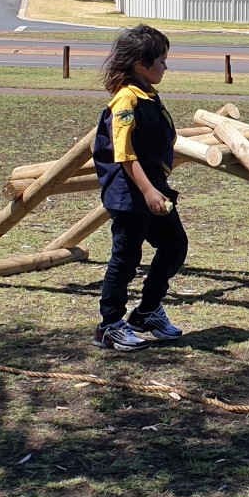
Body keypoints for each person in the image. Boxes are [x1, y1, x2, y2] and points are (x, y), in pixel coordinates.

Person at [91, 25, 188, 351]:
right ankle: (109, 325)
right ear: (140, 63)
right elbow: (125, 154)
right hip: (131, 194)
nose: (165, 66)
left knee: (175, 245)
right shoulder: (125, 100)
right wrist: (148, 191)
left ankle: (147, 312)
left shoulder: (147, 93)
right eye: (161, 60)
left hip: (153, 189)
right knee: (125, 258)